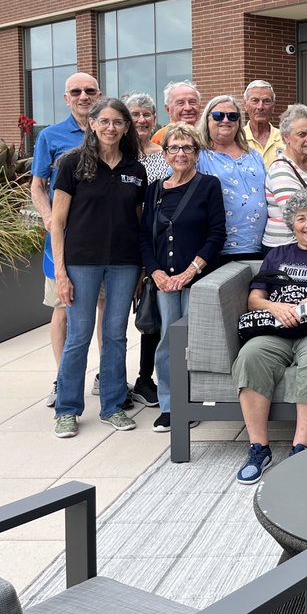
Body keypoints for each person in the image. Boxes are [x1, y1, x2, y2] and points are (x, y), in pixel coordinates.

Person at [232, 190, 307, 484]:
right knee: (250, 355)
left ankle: (301, 448)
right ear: (292, 224)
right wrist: (276, 306)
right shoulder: (277, 255)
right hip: (277, 327)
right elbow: (254, 300)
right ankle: (258, 448)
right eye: (301, 219)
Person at [50, 99, 147, 438]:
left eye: (118, 122)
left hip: (124, 263)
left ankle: (113, 405)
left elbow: (137, 223)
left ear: (125, 127)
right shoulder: (72, 164)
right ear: (92, 124)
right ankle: (67, 409)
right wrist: (61, 273)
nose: (110, 128)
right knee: (78, 336)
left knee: (116, 335)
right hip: (81, 262)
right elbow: (57, 223)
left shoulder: (136, 170)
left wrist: (140, 270)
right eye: (104, 121)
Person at [138, 122, 226, 432]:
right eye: (174, 148)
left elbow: (217, 235)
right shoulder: (155, 190)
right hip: (164, 281)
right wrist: (157, 272)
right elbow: (145, 237)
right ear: (165, 154)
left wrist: (191, 272)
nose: (181, 153)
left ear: (197, 153)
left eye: (187, 147)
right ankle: (170, 405)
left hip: (197, 279)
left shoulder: (209, 185)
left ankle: (192, 402)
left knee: (192, 342)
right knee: (167, 342)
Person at [31, 73, 105, 410]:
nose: (83, 96)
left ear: (99, 94)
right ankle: (63, 378)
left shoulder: (110, 128)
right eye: (75, 91)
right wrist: (49, 217)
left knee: (106, 309)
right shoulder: (51, 136)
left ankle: (106, 375)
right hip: (63, 239)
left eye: (89, 90)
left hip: (103, 240)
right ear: (66, 98)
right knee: (62, 307)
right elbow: (37, 184)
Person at [124, 91, 170, 409]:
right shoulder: (118, 155)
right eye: (135, 114)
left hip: (159, 245)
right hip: (124, 244)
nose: (142, 120)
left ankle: (145, 378)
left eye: (147, 114)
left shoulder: (164, 154)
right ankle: (114, 381)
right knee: (118, 320)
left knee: (153, 315)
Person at [196, 94, 267, 262]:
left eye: (232, 116)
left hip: (259, 247)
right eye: (218, 115)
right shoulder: (198, 156)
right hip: (217, 250)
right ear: (207, 120)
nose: (226, 120)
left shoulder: (254, 156)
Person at [263, 105, 307, 248]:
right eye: (302, 134)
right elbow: (296, 214)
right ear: (286, 137)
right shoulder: (280, 169)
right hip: (286, 247)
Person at [242, 79, 285, 169]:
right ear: (245, 105)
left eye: (266, 101)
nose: (260, 107)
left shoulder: (286, 139)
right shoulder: (237, 139)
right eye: (255, 101)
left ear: (273, 106)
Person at [151, 81, 202, 145]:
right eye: (181, 103)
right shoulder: (160, 138)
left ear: (200, 106)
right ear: (168, 109)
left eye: (192, 102)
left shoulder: (208, 135)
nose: (188, 108)